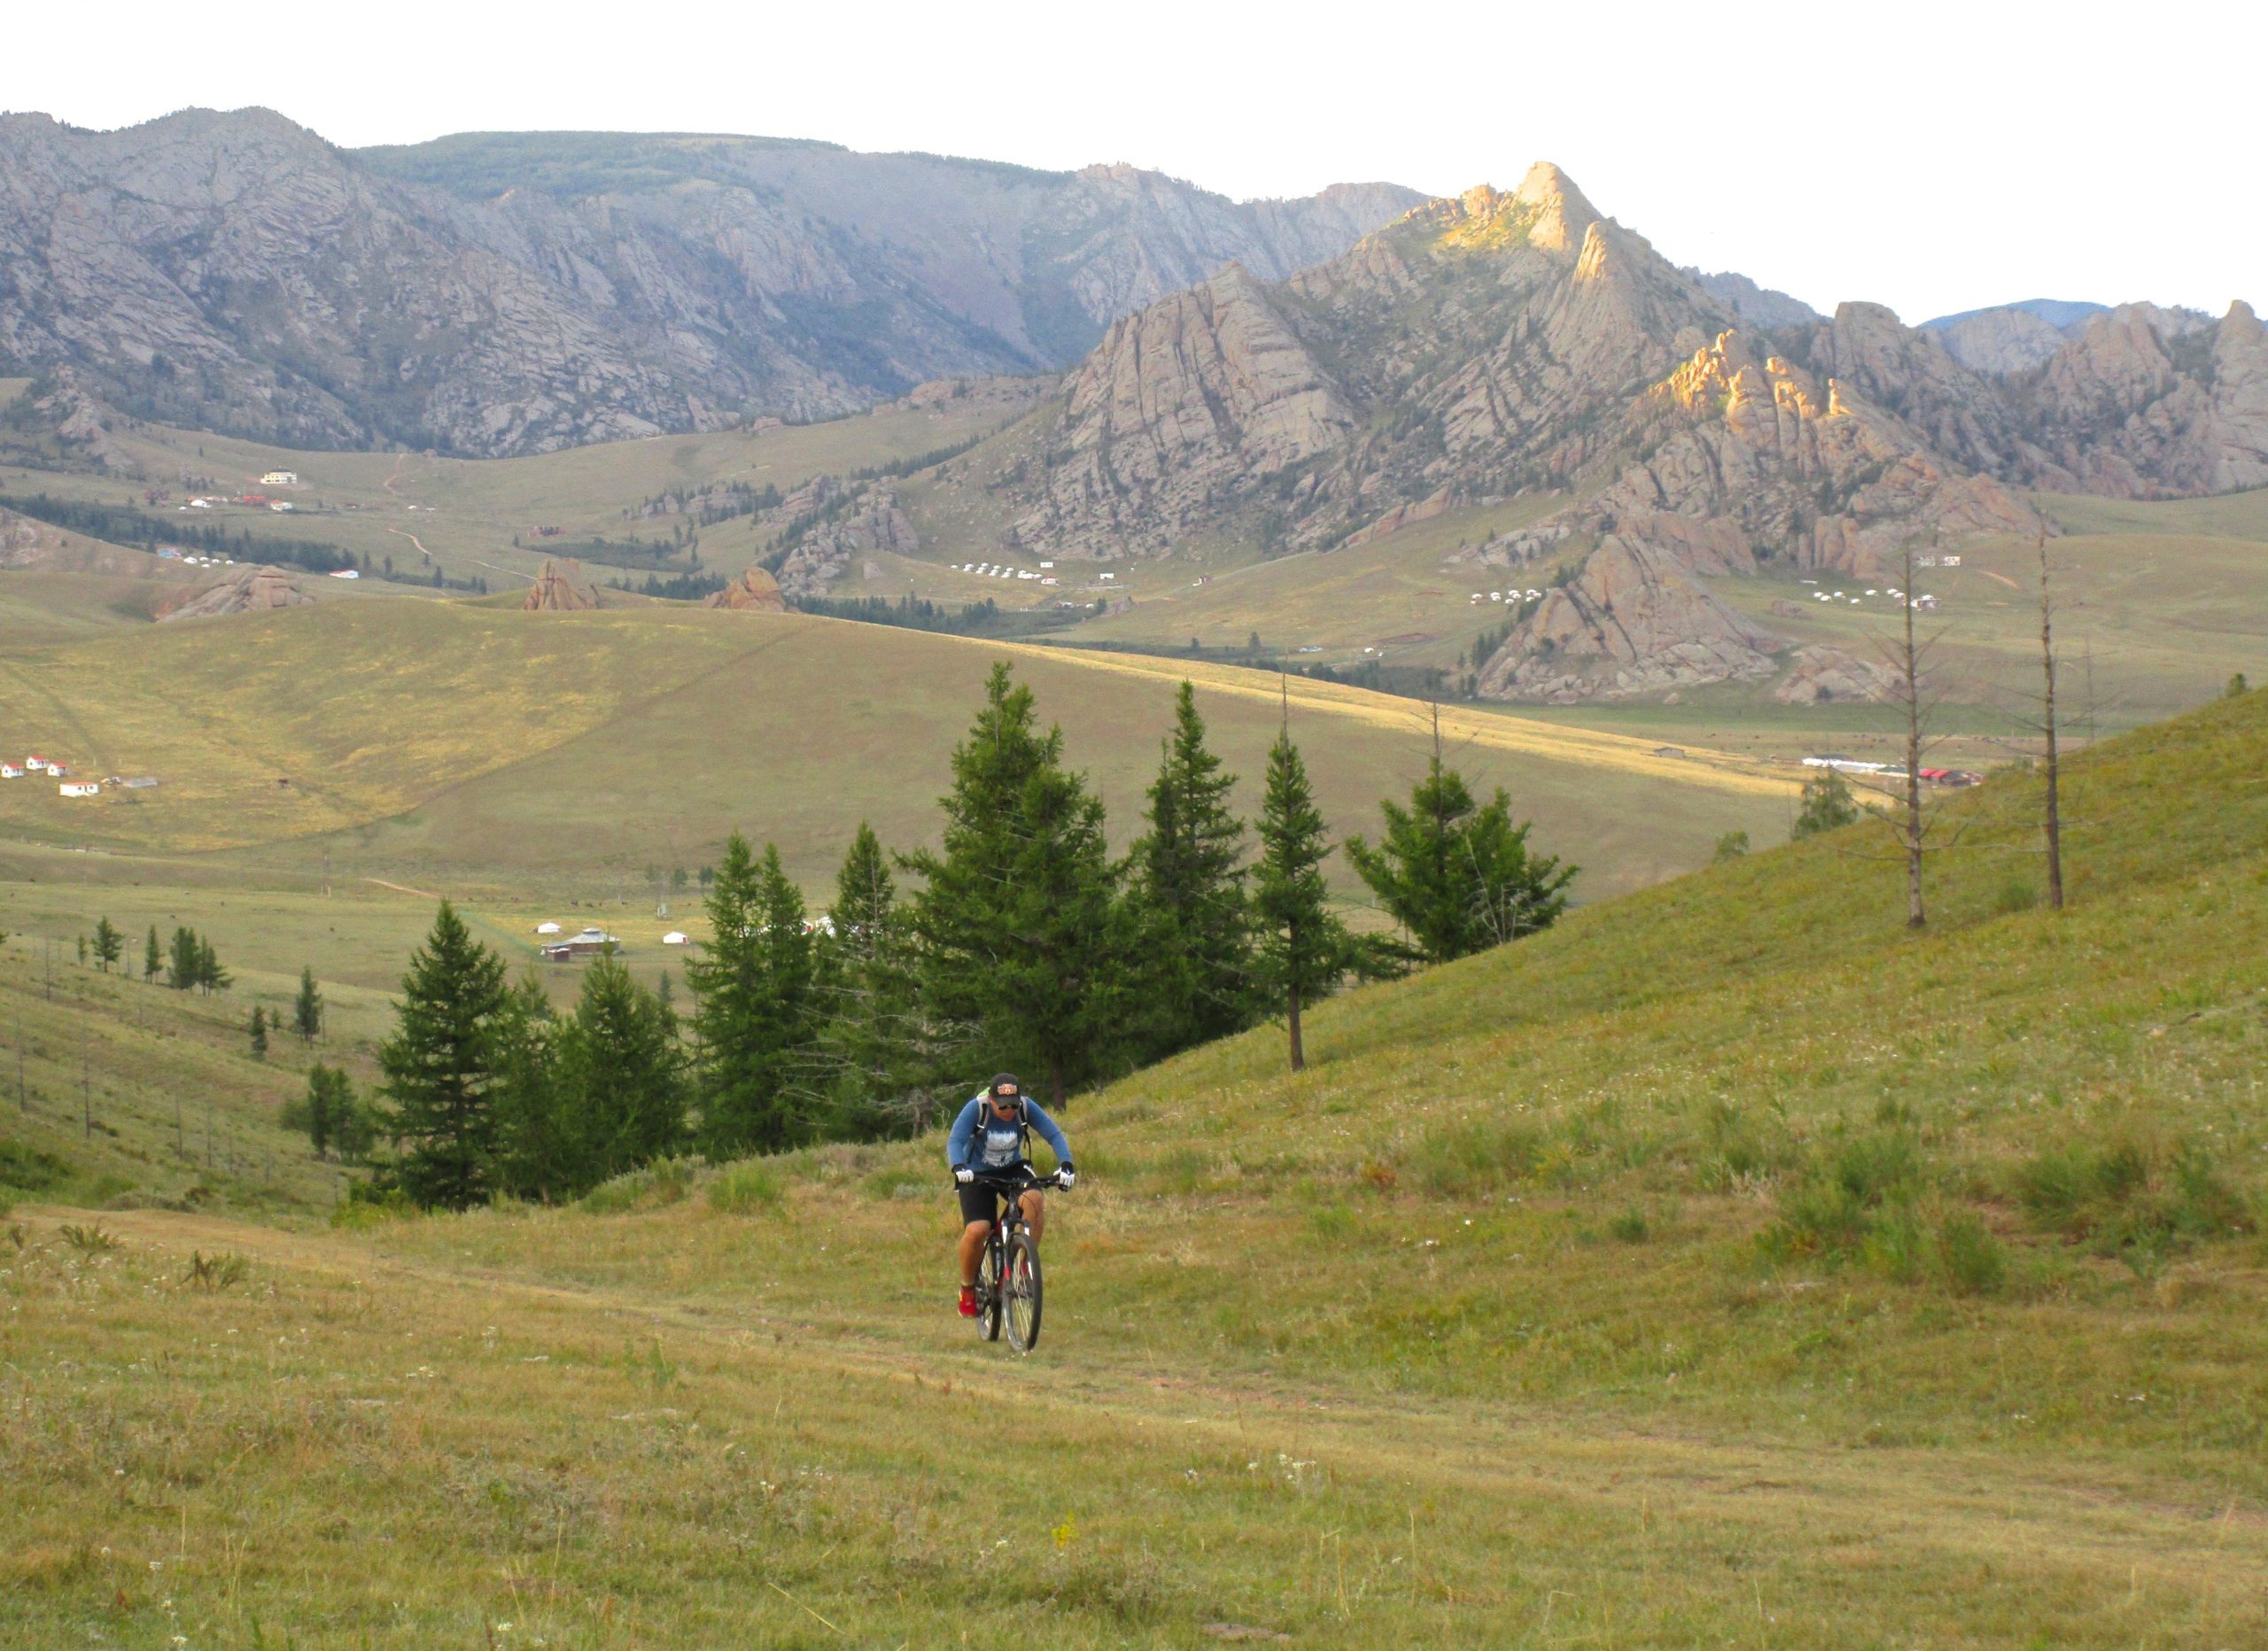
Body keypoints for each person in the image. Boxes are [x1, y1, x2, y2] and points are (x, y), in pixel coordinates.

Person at [947, 1072, 1075, 1318]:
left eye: (1013, 1105)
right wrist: (958, 1166)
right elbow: (956, 1140)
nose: (1009, 1110)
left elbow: (1054, 1135)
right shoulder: (977, 1109)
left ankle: (1025, 1268)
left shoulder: (1027, 1108)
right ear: (992, 1101)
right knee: (978, 1230)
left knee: (1035, 1200)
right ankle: (967, 1288)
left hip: (1012, 1169)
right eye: (1003, 1105)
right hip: (976, 1172)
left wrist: (1066, 1164)